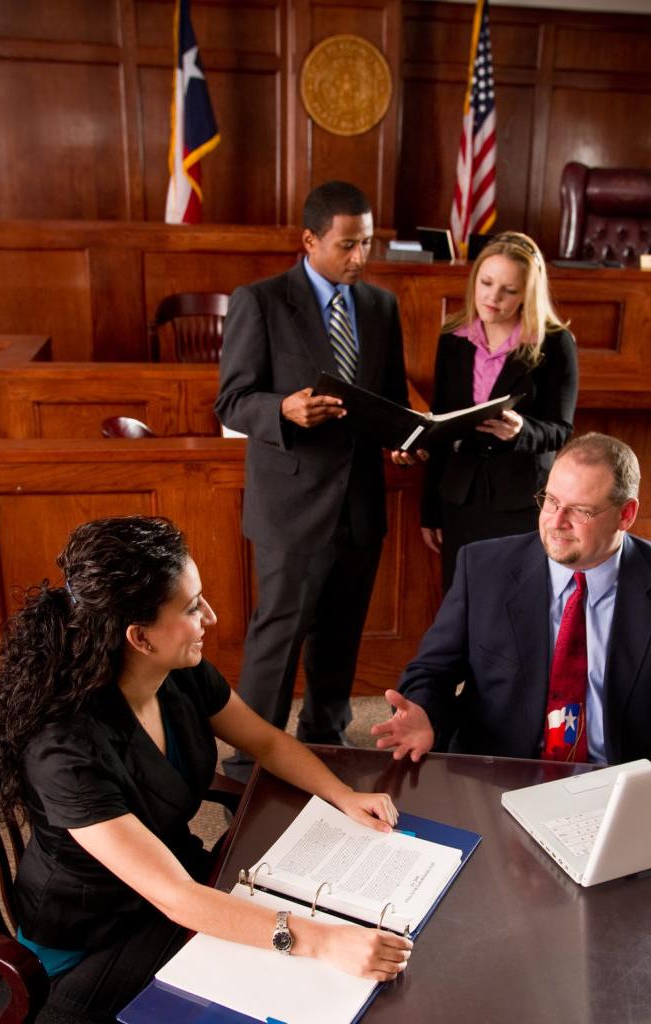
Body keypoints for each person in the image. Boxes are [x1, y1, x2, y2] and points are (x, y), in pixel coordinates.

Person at [0, 515, 412, 1024]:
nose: (210, 615)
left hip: (176, 879)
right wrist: (322, 941)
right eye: (190, 607)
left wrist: (342, 794)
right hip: (93, 937)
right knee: (292, 977)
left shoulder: (179, 671)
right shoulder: (64, 751)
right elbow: (176, 898)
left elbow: (266, 741)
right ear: (139, 637)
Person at [372, 432, 651, 764]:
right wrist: (426, 712)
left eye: (580, 510)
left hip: (621, 776)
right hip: (502, 771)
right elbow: (431, 671)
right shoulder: (484, 568)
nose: (555, 521)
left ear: (626, 514)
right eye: (550, 500)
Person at [215, 180, 408, 766]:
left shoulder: (380, 306)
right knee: (278, 638)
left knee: (341, 634)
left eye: (367, 244)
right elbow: (231, 400)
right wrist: (283, 408)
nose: (360, 257)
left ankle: (325, 734)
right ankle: (250, 758)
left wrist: (407, 439)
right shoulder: (261, 301)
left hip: (360, 505)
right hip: (292, 506)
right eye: (348, 245)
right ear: (310, 240)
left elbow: (390, 398)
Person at [421, 231, 578, 589]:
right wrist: (430, 510)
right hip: (460, 497)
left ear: (528, 294)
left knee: (514, 604)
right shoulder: (453, 339)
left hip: (521, 499)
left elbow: (560, 428)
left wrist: (522, 432)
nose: (493, 297)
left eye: (509, 290)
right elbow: (440, 429)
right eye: (486, 283)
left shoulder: (554, 343)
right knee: (461, 601)